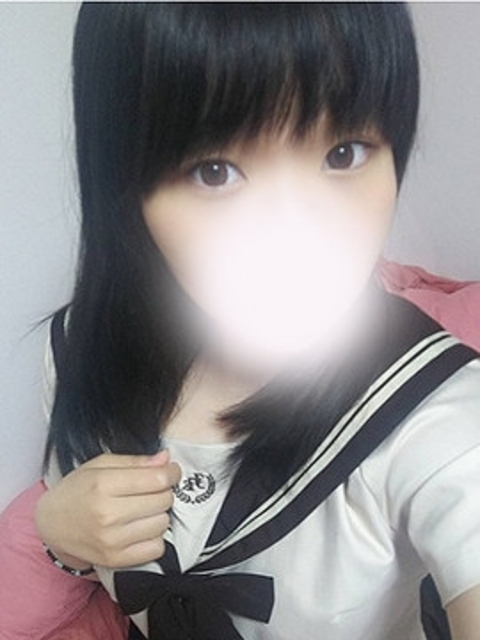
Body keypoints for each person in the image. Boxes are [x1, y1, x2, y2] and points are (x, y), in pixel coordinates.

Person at [1, 3, 480, 639]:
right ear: (123, 184)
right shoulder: (79, 353)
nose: (299, 231)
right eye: (216, 171)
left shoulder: (437, 417)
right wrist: (60, 538)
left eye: (343, 153)